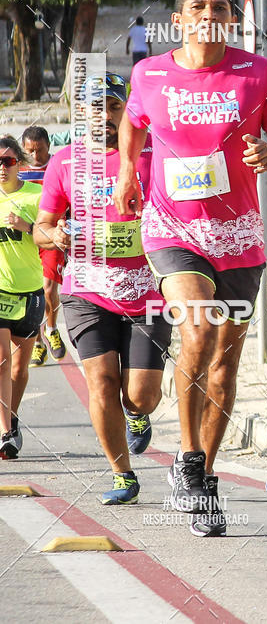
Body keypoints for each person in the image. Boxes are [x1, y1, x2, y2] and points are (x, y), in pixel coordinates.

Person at [114, 0, 267, 536]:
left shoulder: (257, 73)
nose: (208, 13)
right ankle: (187, 459)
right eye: (197, 6)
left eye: (218, 6)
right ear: (180, 18)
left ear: (232, 18)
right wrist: (124, 171)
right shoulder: (150, 73)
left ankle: (206, 477)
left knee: (223, 366)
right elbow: (133, 122)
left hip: (239, 236)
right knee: (198, 332)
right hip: (173, 230)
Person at [34, 73, 171, 504]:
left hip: (148, 290)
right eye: (96, 108)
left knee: (141, 396)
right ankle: (122, 475)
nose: (106, 117)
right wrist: (53, 236)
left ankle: (136, 416)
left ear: (125, 111)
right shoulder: (64, 163)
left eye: (114, 107)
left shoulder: (153, 152)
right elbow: (41, 226)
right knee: (101, 382)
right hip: (86, 289)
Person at [0, 135, 45, 459]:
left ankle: (11, 419)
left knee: (19, 368)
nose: (2, 167)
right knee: (2, 360)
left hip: (29, 288)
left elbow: (51, 238)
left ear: (20, 164)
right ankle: (5, 431)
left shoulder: (36, 196)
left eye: (9, 161)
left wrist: (26, 226)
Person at [19, 125, 67, 365]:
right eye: (30, 151)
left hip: (51, 236)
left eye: (39, 150)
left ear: (49, 146)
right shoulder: (17, 168)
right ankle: (38, 342)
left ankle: (52, 329)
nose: (35, 156)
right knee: (31, 292)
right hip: (25, 238)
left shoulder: (58, 166)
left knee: (48, 288)